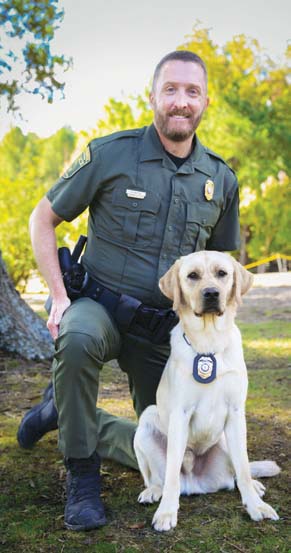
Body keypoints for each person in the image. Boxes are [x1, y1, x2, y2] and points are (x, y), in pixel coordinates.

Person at [17, 50, 240, 531]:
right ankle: (82, 476)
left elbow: (225, 269)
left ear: (204, 101)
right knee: (75, 341)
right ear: (154, 95)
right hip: (97, 306)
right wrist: (59, 297)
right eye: (171, 90)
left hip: (161, 330)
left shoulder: (219, 178)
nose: (181, 101)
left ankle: (68, 412)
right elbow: (43, 218)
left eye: (192, 91)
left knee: (164, 444)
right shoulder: (110, 153)